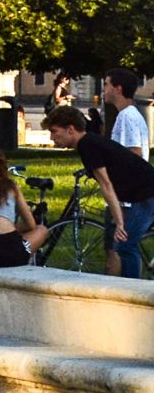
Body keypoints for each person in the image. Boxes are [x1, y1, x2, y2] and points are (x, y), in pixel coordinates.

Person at [45, 103, 154, 278]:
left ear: (70, 129)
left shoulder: (88, 145)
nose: (52, 138)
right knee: (125, 243)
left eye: (54, 131)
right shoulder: (90, 142)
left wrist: (119, 222)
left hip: (147, 194)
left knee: (125, 244)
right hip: (142, 193)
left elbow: (106, 185)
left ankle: (134, 292)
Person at [104, 68, 148, 160]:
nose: (103, 89)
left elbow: (135, 152)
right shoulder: (128, 113)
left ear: (118, 89)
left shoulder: (127, 115)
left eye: (106, 85)